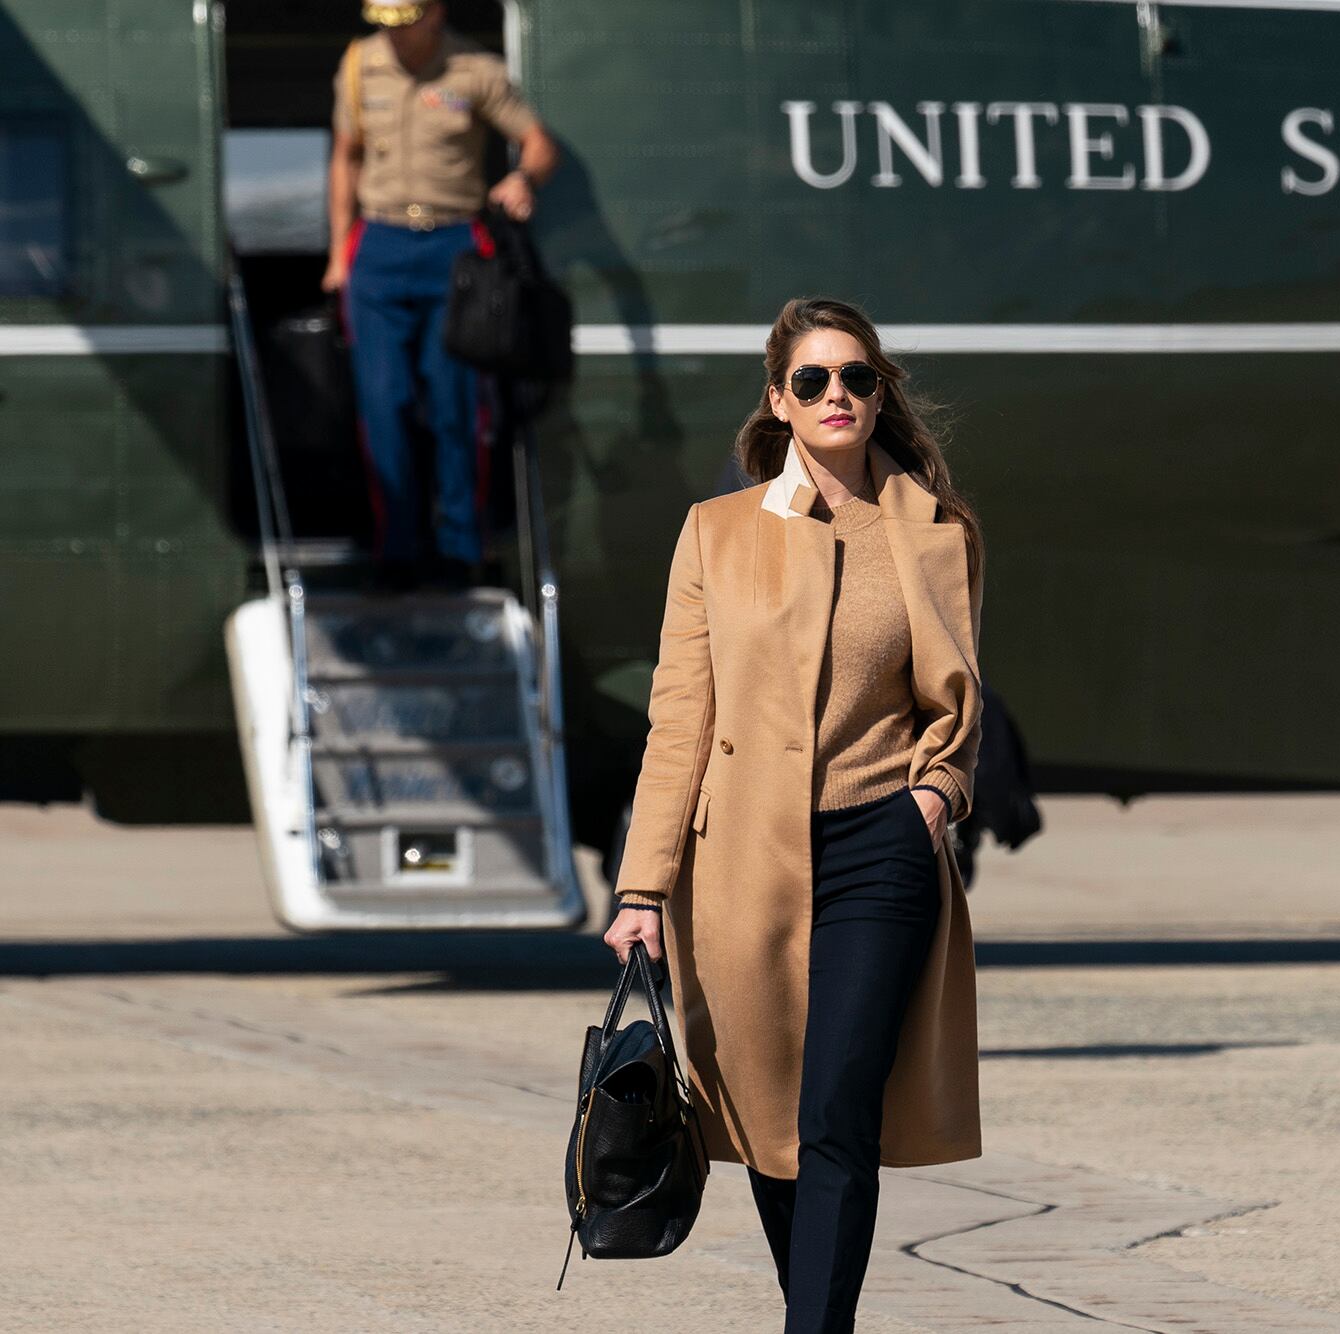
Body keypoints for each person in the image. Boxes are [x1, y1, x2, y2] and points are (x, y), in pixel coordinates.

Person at [604, 298, 984, 1332]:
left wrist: (931, 797)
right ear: (776, 400)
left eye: (855, 378)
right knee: (770, 1119)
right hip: (739, 861)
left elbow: (955, 706)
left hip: (879, 849)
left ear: (879, 392)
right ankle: (813, 1308)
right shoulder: (714, 534)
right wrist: (642, 885)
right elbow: (679, 718)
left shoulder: (935, 533)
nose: (836, 397)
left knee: (834, 1113)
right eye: (811, 380)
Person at [323, 1, 560, 588]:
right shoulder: (358, 65)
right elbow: (344, 158)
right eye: (384, 20)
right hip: (376, 245)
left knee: (457, 404)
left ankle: (459, 547)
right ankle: (396, 549)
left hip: (454, 247)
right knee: (384, 403)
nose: (393, 33)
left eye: (405, 19)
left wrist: (522, 178)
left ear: (435, 13)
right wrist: (336, 256)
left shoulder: (475, 70)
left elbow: (538, 143)